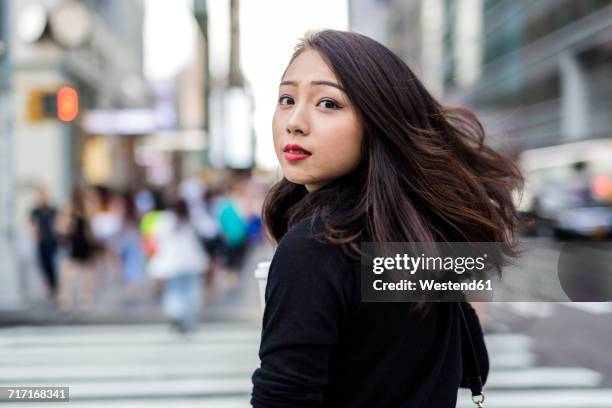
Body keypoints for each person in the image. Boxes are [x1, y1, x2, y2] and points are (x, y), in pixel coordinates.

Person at [251, 30, 524, 407]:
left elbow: (283, 399)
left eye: (328, 103)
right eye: (287, 98)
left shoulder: (316, 249)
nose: (295, 121)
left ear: (378, 121)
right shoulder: (419, 235)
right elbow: (466, 367)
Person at [147, 199, 208, 333]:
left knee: (173, 291)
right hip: (191, 261)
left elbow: (154, 239)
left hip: (170, 262)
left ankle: (176, 316)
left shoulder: (163, 220)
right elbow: (209, 231)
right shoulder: (192, 218)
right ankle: (187, 318)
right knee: (190, 292)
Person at [30, 186, 59, 302]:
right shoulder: (35, 210)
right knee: (43, 264)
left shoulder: (53, 209)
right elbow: (29, 223)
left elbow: (58, 222)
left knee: (51, 264)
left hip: (52, 240)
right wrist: (34, 234)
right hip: (41, 241)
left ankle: (54, 287)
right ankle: (50, 286)